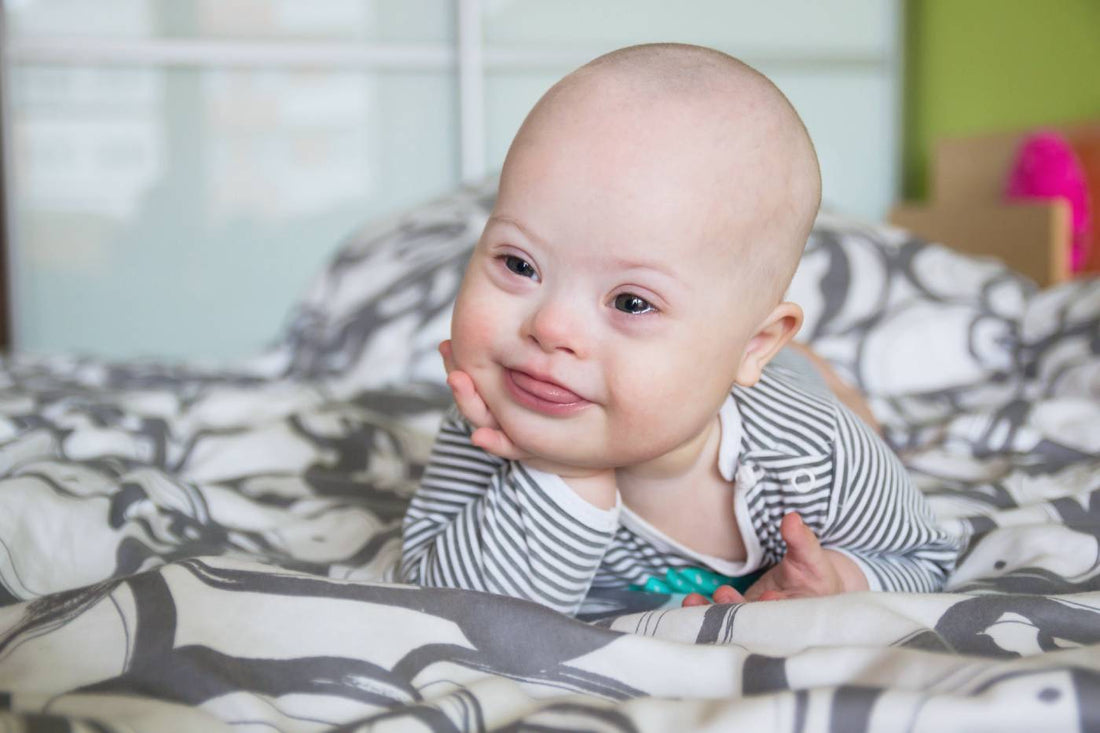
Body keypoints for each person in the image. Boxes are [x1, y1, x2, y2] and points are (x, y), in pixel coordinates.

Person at [398, 43, 960, 616]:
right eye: (520, 265)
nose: (549, 327)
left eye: (632, 302)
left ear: (754, 343)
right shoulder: (495, 420)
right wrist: (561, 474)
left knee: (846, 408)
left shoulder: (818, 454)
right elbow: (447, 601)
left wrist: (842, 578)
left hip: (786, 393)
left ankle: (813, 370)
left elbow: (921, 558)